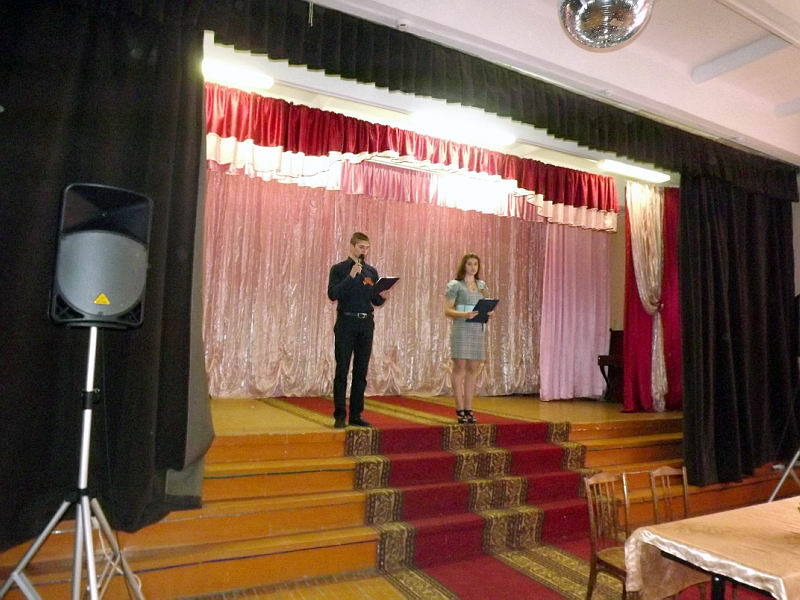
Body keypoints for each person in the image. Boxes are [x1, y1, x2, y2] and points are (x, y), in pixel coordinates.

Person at [327, 232, 389, 429]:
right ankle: (339, 415)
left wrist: (382, 295)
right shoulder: (339, 269)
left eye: (367, 248)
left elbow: (375, 300)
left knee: (361, 372)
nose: (364, 251)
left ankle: (356, 415)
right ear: (352, 246)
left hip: (366, 324)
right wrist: (351, 276)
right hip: (346, 322)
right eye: (361, 247)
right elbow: (333, 294)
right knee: (342, 370)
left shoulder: (371, 271)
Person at [444, 253, 490, 424]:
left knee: (473, 369)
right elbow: (447, 310)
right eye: (469, 264)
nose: (472, 267)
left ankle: (469, 408)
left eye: (475, 264)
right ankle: (460, 409)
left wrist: (489, 311)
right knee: (460, 368)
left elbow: (486, 304)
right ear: (464, 266)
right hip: (462, 328)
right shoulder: (455, 285)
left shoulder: (482, 285)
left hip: (477, 329)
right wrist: (465, 314)